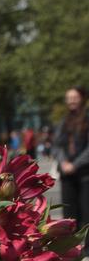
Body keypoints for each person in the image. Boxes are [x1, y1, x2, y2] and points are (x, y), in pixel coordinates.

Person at [53, 86, 89, 231]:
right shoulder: (63, 121)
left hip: (84, 173)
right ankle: (71, 248)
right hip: (66, 174)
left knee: (86, 211)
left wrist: (75, 164)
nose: (71, 101)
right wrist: (63, 162)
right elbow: (57, 146)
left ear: (82, 99)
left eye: (74, 98)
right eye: (69, 98)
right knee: (69, 214)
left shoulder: (87, 119)